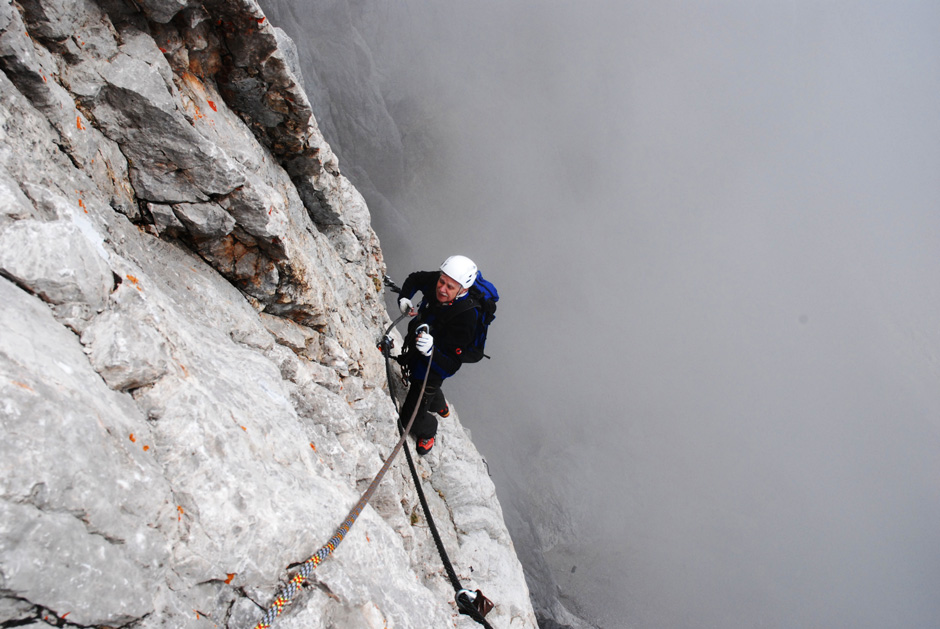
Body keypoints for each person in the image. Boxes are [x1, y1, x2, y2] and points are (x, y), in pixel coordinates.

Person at [395, 255, 481, 454]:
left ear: (463, 290)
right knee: (420, 380)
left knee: (409, 419)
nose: (442, 288)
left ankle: (429, 430)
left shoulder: (467, 317)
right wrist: (405, 297)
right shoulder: (440, 281)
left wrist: (431, 352)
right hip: (419, 345)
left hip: (433, 367)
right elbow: (415, 279)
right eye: (442, 281)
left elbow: (451, 365)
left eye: (450, 287)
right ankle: (439, 403)